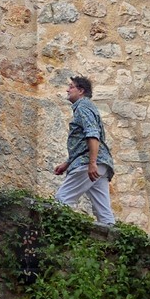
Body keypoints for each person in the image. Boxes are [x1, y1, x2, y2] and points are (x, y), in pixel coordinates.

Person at [54, 74, 116, 226]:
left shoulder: (83, 106)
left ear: (80, 91)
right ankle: (114, 247)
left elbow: (92, 134)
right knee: (104, 212)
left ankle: (59, 237)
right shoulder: (87, 107)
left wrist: (91, 163)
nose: (67, 90)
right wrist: (68, 163)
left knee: (62, 199)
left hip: (89, 162)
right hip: (101, 164)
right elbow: (85, 140)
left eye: (71, 87)